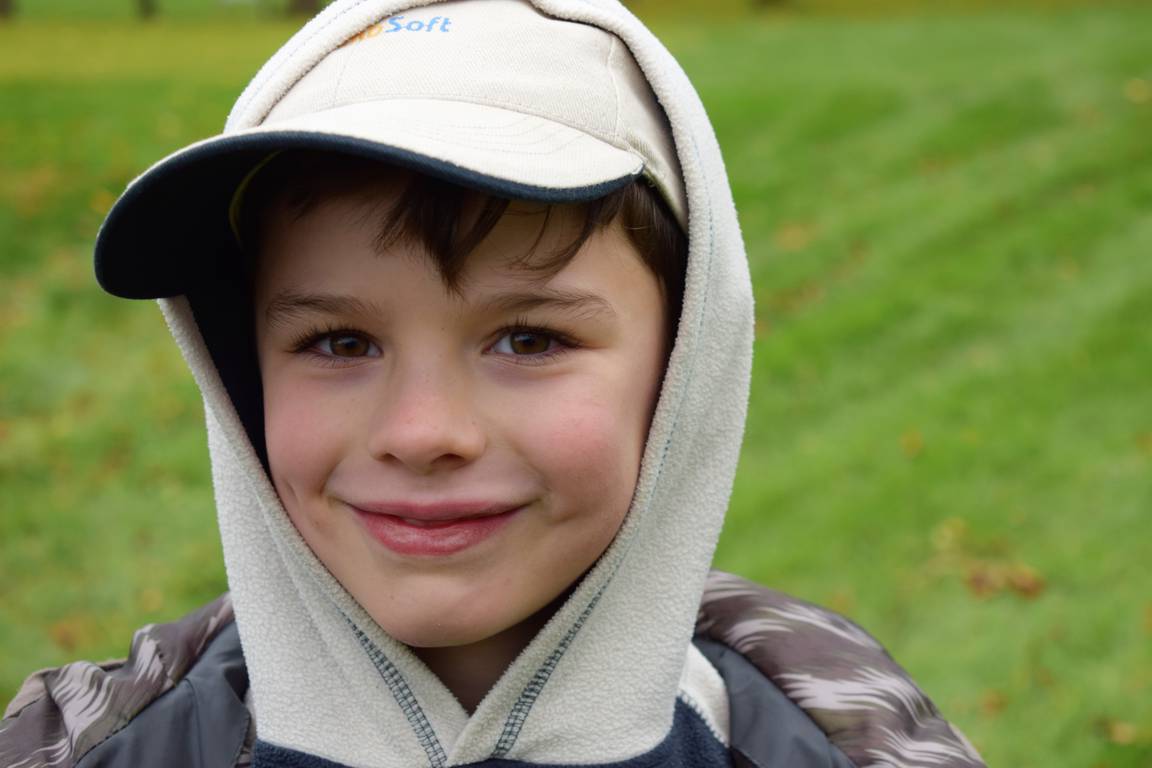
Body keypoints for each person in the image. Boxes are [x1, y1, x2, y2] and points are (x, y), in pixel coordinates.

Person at [0, 1, 987, 766]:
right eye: (340, 342)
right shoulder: (82, 747)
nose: (423, 431)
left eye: (527, 339)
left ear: (685, 363)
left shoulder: (851, 740)